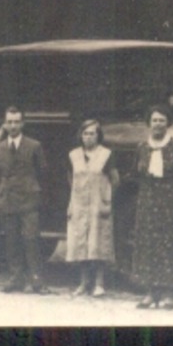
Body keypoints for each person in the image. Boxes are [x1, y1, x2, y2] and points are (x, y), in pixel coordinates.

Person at [130, 105, 173, 309]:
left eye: (162, 120)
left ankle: (169, 293)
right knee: (148, 244)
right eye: (154, 120)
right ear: (149, 123)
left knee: (170, 244)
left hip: (170, 201)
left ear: (168, 123)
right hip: (147, 200)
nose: (158, 124)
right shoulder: (141, 147)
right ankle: (150, 292)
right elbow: (135, 173)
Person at [0, 107, 49, 294]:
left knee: (31, 239)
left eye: (16, 122)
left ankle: (36, 280)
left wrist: (31, 188)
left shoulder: (34, 146)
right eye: (9, 122)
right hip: (7, 199)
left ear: (22, 124)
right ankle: (15, 278)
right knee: (11, 240)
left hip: (28, 199)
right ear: (5, 124)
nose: (13, 125)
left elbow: (42, 172)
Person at [64, 118, 119, 297]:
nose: (89, 137)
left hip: (98, 204)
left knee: (98, 243)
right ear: (81, 135)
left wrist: (105, 197)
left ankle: (99, 283)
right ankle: (83, 282)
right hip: (79, 204)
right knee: (81, 244)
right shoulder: (73, 155)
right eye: (85, 133)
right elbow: (71, 178)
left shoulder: (106, 154)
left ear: (98, 135)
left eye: (92, 133)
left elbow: (115, 179)